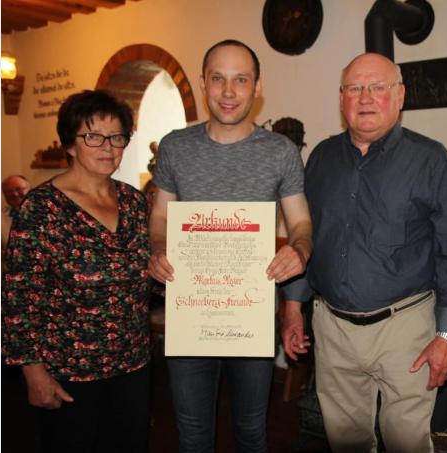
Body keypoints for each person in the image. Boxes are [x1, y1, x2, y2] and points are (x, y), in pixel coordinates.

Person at [280, 52, 447, 453]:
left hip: (406, 328)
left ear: (400, 96)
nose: (365, 97)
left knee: (407, 442)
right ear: (341, 99)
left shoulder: (431, 160)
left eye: (378, 87)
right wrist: (292, 308)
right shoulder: (320, 158)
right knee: (346, 441)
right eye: (354, 88)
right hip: (333, 329)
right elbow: (306, 238)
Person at [147, 39, 312, 453]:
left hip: (249, 315)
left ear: (257, 88)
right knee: (192, 435)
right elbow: (161, 216)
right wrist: (157, 248)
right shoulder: (175, 147)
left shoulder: (280, 151)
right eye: (218, 78)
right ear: (203, 83)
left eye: (241, 80)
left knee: (252, 431)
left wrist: (301, 249)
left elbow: (301, 222)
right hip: (190, 313)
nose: (228, 91)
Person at [2, 90, 152, 453]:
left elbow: (143, 276)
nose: (108, 147)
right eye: (93, 136)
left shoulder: (133, 201)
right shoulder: (40, 208)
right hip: (70, 375)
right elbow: (18, 298)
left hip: (133, 366)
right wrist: (32, 371)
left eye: (117, 137)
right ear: (70, 144)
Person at [1, 174, 30, 249]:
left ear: (30, 189)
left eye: (19, 189)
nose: (15, 194)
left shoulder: (44, 213)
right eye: (9, 191)